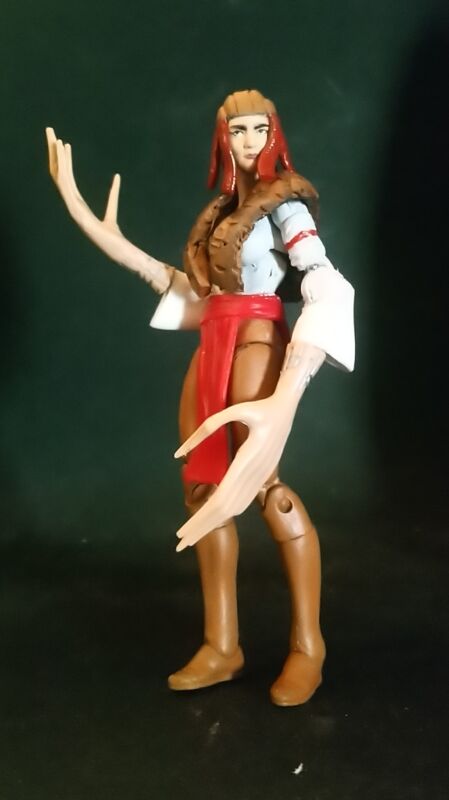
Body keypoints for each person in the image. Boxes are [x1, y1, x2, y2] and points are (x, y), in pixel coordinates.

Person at [46, 89, 354, 706]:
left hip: (258, 339)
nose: (248, 141)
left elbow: (325, 282)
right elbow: (190, 289)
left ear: (274, 133)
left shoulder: (285, 204)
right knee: (204, 489)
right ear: (223, 138)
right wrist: (92, 224)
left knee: (266, 487)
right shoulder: (218, 215)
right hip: (214, 342)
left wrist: (289, 390)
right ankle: (222, 645)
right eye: (237, 131)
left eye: (259, 129)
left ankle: (307, 646)